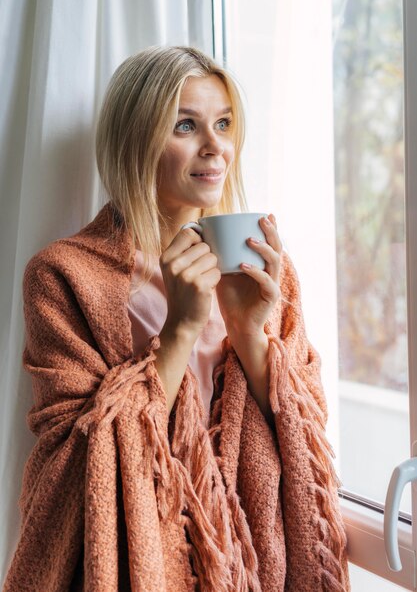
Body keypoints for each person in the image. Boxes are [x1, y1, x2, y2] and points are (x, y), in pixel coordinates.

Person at [3, 46, 350, 591]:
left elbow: (305, 433)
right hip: (145, 564)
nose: (216, 148)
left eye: (224, 123)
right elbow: (74, 463)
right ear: (136, 138)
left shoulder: (264, 269)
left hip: (253, 565)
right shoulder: (65, 275)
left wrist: (248, 334)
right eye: (186, 125)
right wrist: (181, 330)